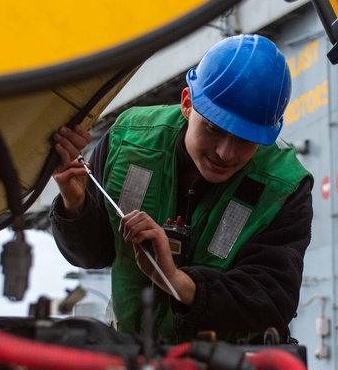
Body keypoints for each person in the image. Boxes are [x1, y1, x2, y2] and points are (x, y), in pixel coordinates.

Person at [49, 34, 313, 344]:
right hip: (133, 353)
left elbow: (270, 301)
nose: (226, 154)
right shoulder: (128, 141)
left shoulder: (284, 185)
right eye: (214, 129)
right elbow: (94, 254)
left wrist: (176, 281)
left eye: (246, 138)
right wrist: (75, 202)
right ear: (187, 104)